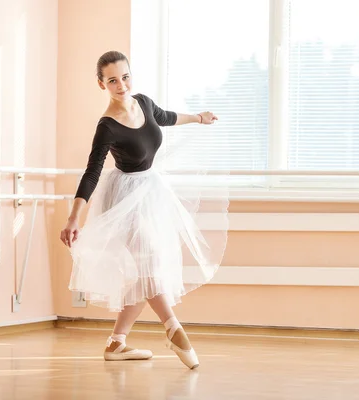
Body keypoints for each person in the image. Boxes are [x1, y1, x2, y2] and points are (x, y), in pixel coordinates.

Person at [60, 51, 229, 369]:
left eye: (125, 76)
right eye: (112, 80)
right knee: (148, 261)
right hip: (124, 197)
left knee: (145, 269)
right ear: (102, 84)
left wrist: (198, 118)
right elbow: (92, 172)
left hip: (151, 191)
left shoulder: (144, 103)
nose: (121, 84)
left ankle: (116, 343)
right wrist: (74, 217)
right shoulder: (107, 126)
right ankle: (174, 329)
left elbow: (165, 117)